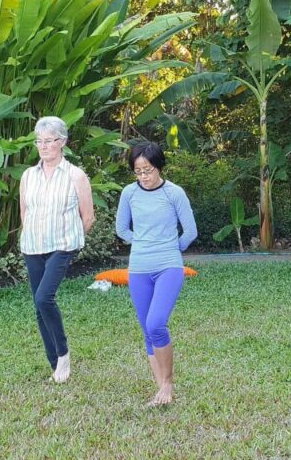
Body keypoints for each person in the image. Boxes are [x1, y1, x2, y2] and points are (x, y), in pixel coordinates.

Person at [115, 142, 197, 406]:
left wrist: (172, 248)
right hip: (138, 267)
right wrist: (141, 242)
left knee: (156, 323)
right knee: (147, 331)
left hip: (168, 266)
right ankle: (162, 390)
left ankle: (169, 382)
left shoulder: (174, 193)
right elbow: (121, 229)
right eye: (138, 172)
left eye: (147, 170)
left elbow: (190, 231)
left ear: (158, 166)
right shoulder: (129, 193)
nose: (143, 177)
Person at [19, 116, 95, 383]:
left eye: (49, 141)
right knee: (38, 307)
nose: (43, 146)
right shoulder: (29, 175)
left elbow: (88, 217)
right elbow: (25, 214)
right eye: (39, 141)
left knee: (44, 298)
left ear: (62, 142)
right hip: (33, 246)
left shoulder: (75, 175)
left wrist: (70, 241)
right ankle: (55, 364)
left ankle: (63, 354)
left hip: (62, 247)